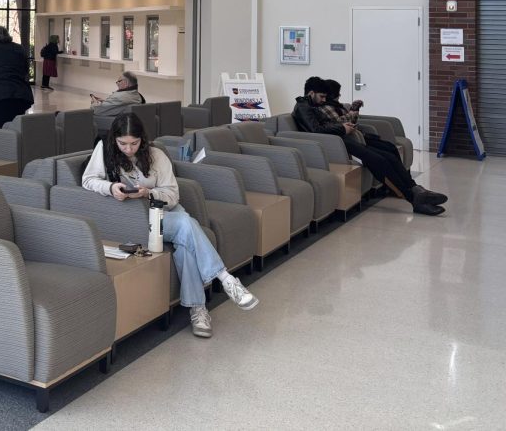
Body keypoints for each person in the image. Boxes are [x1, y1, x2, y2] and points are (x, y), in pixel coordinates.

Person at [82, 113, 258, 339]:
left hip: (166, 213)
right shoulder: (104, 151)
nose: (128, 149)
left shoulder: (156, 155)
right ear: (114, 139)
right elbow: (88, 180)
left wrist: (149, 193)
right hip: (138, 220)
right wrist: (110, 187)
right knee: (187, 225)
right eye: (122, 143)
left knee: (185, 242)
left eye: (134, 143)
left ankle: (199, 309)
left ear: (142, 140)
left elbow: (173, 195)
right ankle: (225, 281)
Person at [293, 77, 447, 216]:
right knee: (379, 161)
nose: (323, 100)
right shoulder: (303, 107)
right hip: (333, 145)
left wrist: (342, 127)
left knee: (387, 155)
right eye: (321, 97)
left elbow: (325, 124)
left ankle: (415, 189)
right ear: (311, 93)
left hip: (341, 139)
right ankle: (414, 199)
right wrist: (341, 128)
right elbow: (316, 130)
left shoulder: (311, 106)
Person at [0, 26, 34, 128]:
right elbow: (25, 69)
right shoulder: (19, 48)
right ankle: (15, 144)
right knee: (16, 128)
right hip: (20, 94)